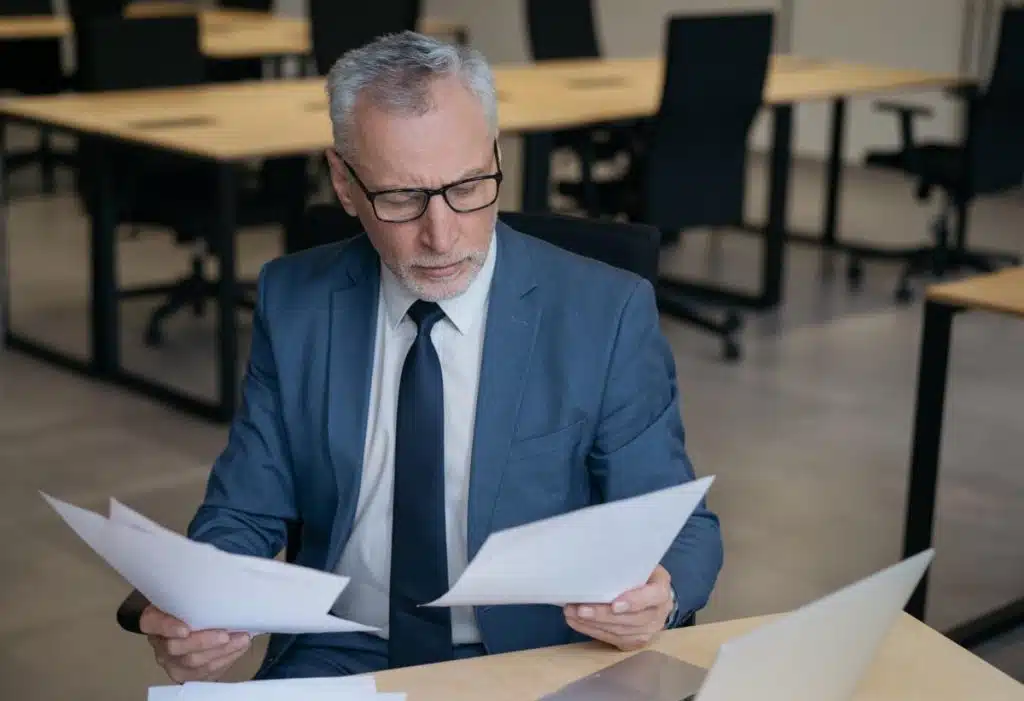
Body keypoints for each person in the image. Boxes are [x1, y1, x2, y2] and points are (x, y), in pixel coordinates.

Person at [127, 31, 723, 682]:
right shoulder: (295, 301)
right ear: (344, 184)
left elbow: (683, 528)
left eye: (469, 187)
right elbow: (244, 508)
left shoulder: (604, 312)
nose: (441, 235)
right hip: (342, 653)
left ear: (496, 155)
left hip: (538, 661)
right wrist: (202, 606)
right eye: (402, 198)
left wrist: (659, 595)